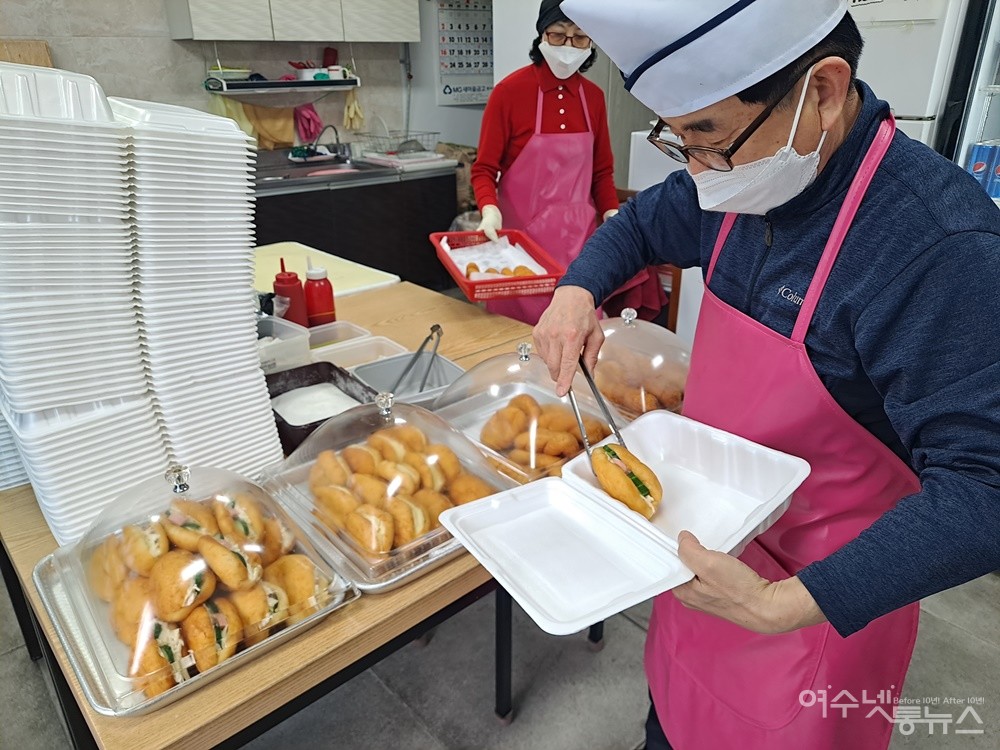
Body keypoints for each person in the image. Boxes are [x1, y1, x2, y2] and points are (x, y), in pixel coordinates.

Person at [533, 1, 1000, 749]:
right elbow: (642, 223)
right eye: (677, 137)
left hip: (821, 607)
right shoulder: (738, 176)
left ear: (821, 88)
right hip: (705, 558)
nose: (694, 168)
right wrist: (576, 292)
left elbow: (987, 488)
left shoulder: (937, 244)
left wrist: (783, 604)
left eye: (708, 135)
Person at [469, 0, 622, 325]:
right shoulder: (509, 93)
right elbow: (484, 168)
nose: (569, 45)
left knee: (576, 333)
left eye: (579, 37)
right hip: (520, 248)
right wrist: (489, 208)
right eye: (558, 35)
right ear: (542, 36)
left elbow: (601, 171)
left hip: (579, 247)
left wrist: (612, 213)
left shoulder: (593, 97)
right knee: (515, 341)